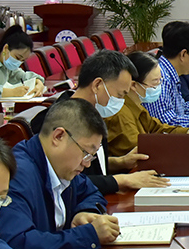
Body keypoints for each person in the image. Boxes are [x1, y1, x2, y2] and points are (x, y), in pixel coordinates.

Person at [0, 99, 120, 249]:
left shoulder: (61, 166)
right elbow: (19, 242)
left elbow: (91, 192)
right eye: (86, 153)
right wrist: (88, 235)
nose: (87, 164)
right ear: (58, 136)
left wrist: (84, 212)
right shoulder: (18, 175)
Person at [30, 50, 167, 193]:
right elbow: (66, 180)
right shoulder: (57, 121)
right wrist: (120, 180)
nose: (121, 102)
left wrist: (121, 161)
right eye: (119, 95)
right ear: (97, 85)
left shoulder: (94, 114)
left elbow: (93, 166)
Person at [107, 52, 189, 158]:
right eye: (155, 82)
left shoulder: (136, 105)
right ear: (134, 85)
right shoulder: (121, 114)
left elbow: (158, 128)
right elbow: (140, 151)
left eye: (160, 80)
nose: (159, 86)